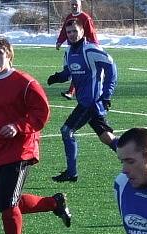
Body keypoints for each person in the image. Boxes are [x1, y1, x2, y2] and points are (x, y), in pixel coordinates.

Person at [0, 37, 72, 234]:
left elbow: (41, 113)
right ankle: (54, 203)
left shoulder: (25, 82)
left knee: (8, 203)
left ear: (9, 54)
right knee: (5, 203)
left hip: (21, 149)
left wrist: (18, 126)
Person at [47, 18, 118, 183]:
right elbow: (68, 73)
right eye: (68, 32)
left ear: (82, 32)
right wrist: (57, 77)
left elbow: (111, 67)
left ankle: (71, 173)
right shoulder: (68, 52)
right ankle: (135, 155)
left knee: (67, 130)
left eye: (74, 31)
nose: (71, 35)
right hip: (86, 101)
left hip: (90, 102)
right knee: (106, 137)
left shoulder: (91, 50)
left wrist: (107, 94)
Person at [55, 0, 99, 100]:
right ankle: (72, 89)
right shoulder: (69, 17)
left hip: (83, 48)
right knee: (72, 68)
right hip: (72, 47)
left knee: (78, 69)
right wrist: (59, 41)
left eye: (76, 4)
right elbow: (64, 31)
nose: (74, 6)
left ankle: (71, 91)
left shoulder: (85, 18)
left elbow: (91, 33)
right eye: (72, 5)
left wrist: (95, 45)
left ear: (80, 5)